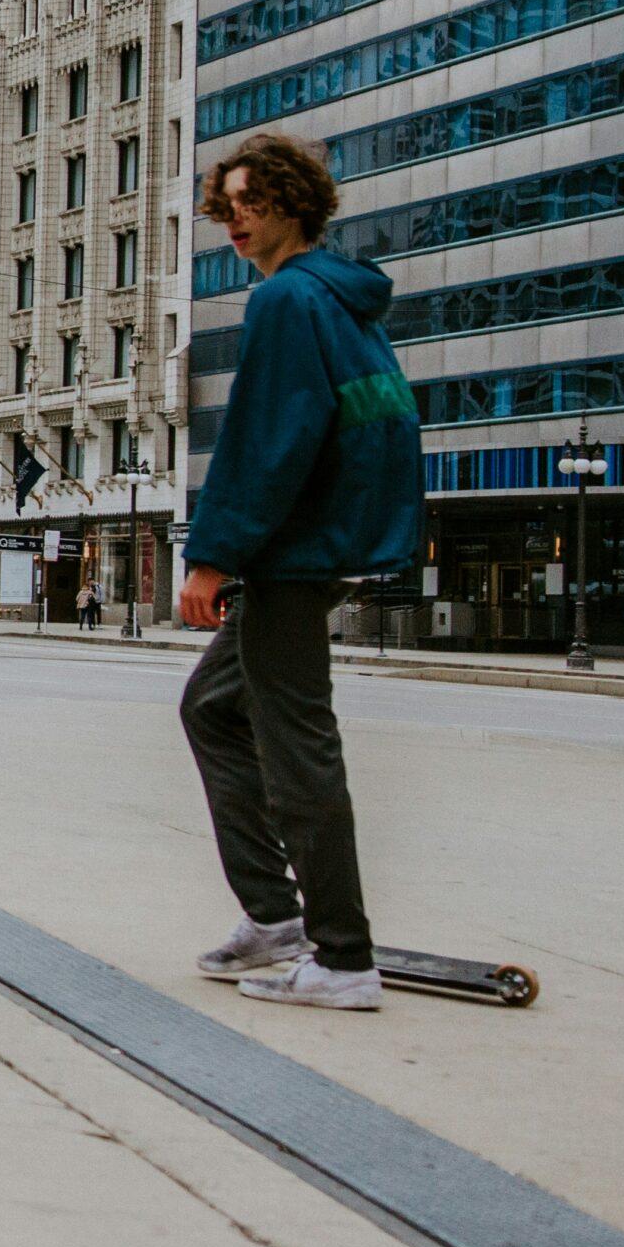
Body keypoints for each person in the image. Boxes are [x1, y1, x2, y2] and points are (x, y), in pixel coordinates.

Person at [176, 133, 421, 1014]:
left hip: (291, 556)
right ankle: (275, 916)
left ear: (293, 202)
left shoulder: (288, 299)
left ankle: (344, 956)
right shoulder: (344, 301)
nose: (234, 217)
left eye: (252, 200)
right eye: (226, 204)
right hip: (315, 548)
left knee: (299, 751)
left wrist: (213, 555)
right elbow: (386, 426)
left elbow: (267, 442)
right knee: (210, 707)